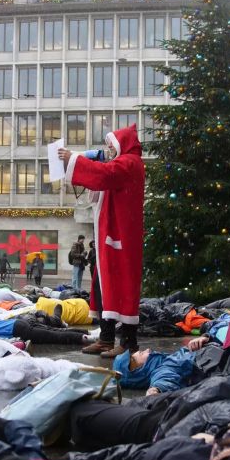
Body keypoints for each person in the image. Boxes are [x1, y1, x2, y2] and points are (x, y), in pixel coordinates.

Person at [59, 124, 145, 358]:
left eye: (111, 146)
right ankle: (107, 339)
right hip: (112, 238)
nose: (108, 151)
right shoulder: (123, 162)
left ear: (122, 145)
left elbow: (106, 175)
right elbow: (103, 179)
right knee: (103, 287)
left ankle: (128, 343)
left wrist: (73, 159)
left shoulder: (129, 162)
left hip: (121, 238)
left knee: (123, 288)